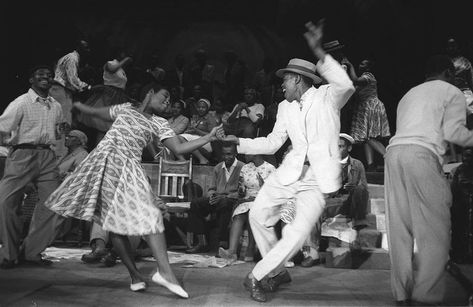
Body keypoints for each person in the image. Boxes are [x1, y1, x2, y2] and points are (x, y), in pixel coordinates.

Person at [43, 85, 223, 297]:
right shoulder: (125, 109)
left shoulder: (159, 122)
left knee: (150, 215)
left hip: (128, 168)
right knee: (113, 225)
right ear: (149, 92)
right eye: (165, 96)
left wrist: (208, 138)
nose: (167, 102)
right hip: (103, 163)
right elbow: (97, 112)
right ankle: (136, 275)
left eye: (169, 100)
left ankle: (164, 272)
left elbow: (179, 148)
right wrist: (82, 105)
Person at [220, 20, 355, 302]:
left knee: (295, 232)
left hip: (316, 179)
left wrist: (318, 50)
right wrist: (240, 143)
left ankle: (258, 275)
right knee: (258, 215)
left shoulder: (328, 97)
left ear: (297, 79)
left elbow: (346, 84)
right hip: (288, 172)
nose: (281, 85)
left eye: (285, 79)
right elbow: (273, 142)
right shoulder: (284, 107)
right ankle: (278, 270)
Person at [385, 55, 473, 305]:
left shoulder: (409, 94)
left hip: (394, 154)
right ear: (448, 72)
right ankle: (426, 296)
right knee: (434, 230)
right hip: (421, 155)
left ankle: (401, 294)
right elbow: (454, 133)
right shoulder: (451, 91)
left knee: (399, 228)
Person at [0, 65, 68, 269]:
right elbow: (2, 128)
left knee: (55, 204)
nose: (46, 77)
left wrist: (62, 130)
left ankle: (31, 252)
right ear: (32, 80)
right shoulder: (21, 103)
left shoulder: (55, 105)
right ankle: (8, 254)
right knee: (5, 202)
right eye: (41, 75)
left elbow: (57, 132)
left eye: (49, 75)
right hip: (22, 154)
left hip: (47, 155)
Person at [185, 142, 244, 253]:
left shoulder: (242, 167)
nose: (227, 157)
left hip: (232, 200)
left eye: (230, 154)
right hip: (217, 199)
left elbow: (242, 192)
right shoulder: (218, 167)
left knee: (225, 203)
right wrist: (212, 196)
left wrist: (226, 196)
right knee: (195, 203)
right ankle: (201, 242)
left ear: (235, 153)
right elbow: (211, 188)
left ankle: (222, 243)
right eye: (224, 154)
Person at [218, 154, 276, 263]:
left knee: (252, 212)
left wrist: (263, 185)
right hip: (247, 199)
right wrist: (241, 190)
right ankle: (232, 252)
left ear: (256, 153)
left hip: (263, 200)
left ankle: (250, 249)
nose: (245, 154)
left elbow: (274, 193)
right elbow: (241, 190)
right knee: (238, 215)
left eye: (248, 152)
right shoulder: (246, 167)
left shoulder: (270, 169)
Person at [77, 49, 134, 147]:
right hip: (109, 97)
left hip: (119, 96)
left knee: (112, 131)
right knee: (104, 128)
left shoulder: (121, 69)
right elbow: (112, 69)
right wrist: (125, 60)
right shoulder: (110, 64)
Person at [343, 58, 390, 171]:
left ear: (368, 67)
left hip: (371, 107)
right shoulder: (363, 79)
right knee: (366, 138)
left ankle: (389, 156)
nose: (360, 65)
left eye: (363, 63)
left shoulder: (368, 76)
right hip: (364, 107)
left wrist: (350, 66)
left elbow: (355, 80)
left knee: (369, 137)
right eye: (360, 63)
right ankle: (370, 164)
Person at [333, 133, 369, 229]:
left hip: (351, 201)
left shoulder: (357, 164)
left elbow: (363, 186)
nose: (337, 149)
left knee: (361, 189)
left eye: (340, 146)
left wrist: (353, 187)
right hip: (334, 200)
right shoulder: (328, 164)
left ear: (349, 148)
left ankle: (358, 221)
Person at [51, 40, 91, 125]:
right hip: (60, 90)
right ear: (79, 48)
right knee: (64, 119)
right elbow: (72, 78)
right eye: (86, 48)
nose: (88, 51)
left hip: (58, 89)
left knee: (57, 119)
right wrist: (87, 87)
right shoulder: (73, 58)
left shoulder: (70, 57)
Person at [450, 147, 473, 264]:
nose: (467, 158)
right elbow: (464, 185)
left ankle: (460, 254)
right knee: (460, 231)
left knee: (460, 231)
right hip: (460, 206)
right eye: (466, 155)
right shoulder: (462, 169)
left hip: (461, 206)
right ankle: (459, 254)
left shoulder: (462, 169)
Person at [179, 98, 218, 164]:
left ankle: (202, 159)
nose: (200, 109)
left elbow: (212, 135)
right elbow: (191, 130)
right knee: (176, 139)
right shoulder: (196, 117)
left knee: (180, 137)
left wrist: (197, 131)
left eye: (203, 107)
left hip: (207, 141)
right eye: (199, 107)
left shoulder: (210, 118)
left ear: (207, 108)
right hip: (196, 139)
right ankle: (182, 160)